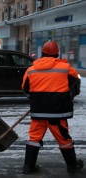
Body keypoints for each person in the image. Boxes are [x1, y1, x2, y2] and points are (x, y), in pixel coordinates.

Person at [21, 41, 83, 174]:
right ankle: (72, 166)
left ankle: (28, 166)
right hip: (57, 113)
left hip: (38, 112)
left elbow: (25, 90)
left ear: (42, 53)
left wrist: (37, 98)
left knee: (34, 138)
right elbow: (75, 81)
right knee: (64, 139)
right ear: (57, 53)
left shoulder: (31, 70)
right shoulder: (65, 68)